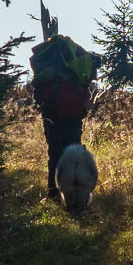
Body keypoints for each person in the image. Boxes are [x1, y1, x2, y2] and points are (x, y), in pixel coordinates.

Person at [28, 28, 100, 199]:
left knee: (54, 154)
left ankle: (54, 193)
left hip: (52, 116)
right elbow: (85, 95)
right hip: (74, 117)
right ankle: (77, 195)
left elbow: (38, 96)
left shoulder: (49, 74)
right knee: (73, 154)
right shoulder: (74, 72)